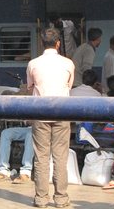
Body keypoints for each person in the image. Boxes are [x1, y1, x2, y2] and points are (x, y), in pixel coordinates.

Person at [27, 28, 74, 208]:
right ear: (58, 43)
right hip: (62, 113)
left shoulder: (33, 63)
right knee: (60, 157)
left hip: (40, 113)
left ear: (41, 43)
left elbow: (30, 86)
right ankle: (61, 198)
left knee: (41, 157)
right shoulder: (68, 63)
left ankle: (41, 198)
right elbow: (68, 86)